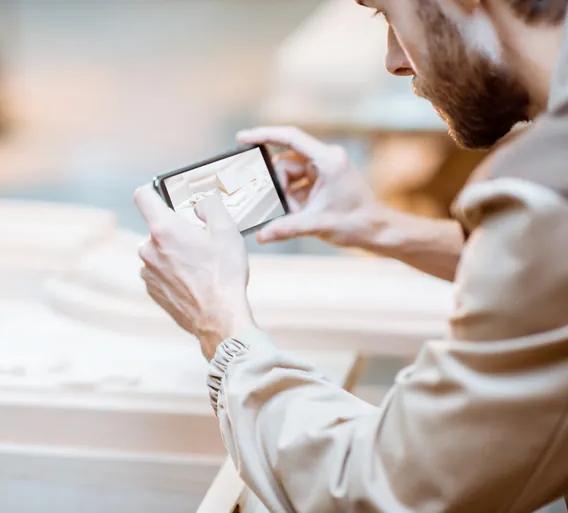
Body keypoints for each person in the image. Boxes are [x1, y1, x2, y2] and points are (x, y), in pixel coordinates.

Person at [134, 0, 568, 511]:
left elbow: (382, 487)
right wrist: (378, 227)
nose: (394, 60)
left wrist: (220, 324)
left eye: (387, 14)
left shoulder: (542, 195)